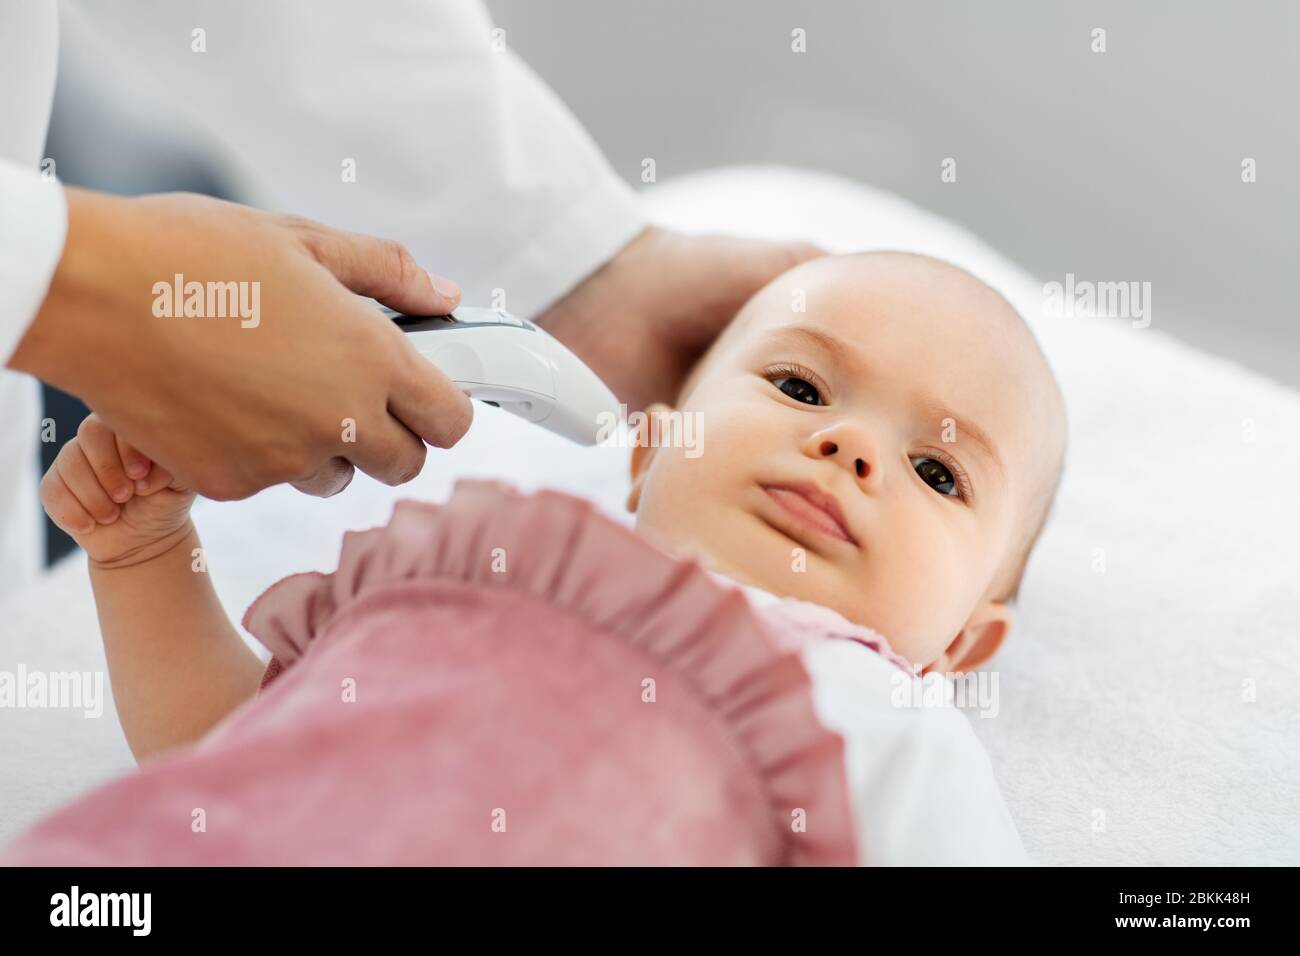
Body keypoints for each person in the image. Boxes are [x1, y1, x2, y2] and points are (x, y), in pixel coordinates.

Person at [0, 0, 819, 599]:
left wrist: (578, 265)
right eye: (800, 388)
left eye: (937, 472)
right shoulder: (463, 597)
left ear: (955, 641)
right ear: (649, 450)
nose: (849, 448)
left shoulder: (902, 762)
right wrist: (81, 283)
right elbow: (224, 748)